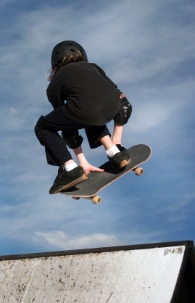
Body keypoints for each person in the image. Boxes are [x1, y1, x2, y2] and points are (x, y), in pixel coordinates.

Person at [34, 41, 133, 194]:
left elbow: (68, 128)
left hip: (82, 110)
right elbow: (123, 103)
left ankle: (70, 168)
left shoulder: (55, 83)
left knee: (43, 127)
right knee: (91, 111)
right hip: (111, 106)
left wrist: (81, 162)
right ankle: (115, 151)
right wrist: (117, 141)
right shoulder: (94, 67)